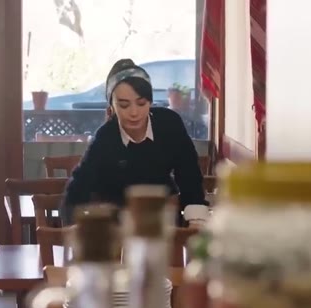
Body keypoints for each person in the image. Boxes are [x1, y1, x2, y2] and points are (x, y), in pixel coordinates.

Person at [60, 58, 209, 227]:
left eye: (141, 103)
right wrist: (74, 227)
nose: (134, 112)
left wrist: (196, 220)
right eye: (124, 105)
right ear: (112, 106)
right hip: (119, 226)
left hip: (164, 220)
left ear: (150, 101)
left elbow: (189, 175)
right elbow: (77, 189)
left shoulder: (169, 124)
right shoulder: (105, 137)